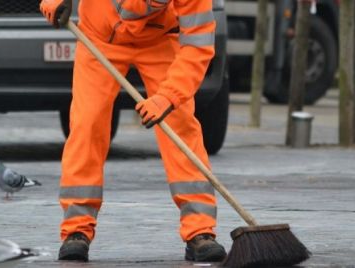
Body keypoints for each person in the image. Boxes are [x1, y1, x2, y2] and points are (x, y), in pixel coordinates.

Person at [40, 0, 226, 262]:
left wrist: (168, 97)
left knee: (180, 124)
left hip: (160, 38)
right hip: (100, 36)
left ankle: (200, 230)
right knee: (87, 124)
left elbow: (198, 45)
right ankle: (76, 230)